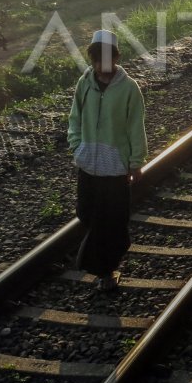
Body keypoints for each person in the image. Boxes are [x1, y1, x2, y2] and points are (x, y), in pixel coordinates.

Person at [67, 30, 147, 291]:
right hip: (89, 164)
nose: (101, 61)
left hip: (115, 167)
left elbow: (136, 126)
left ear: (114, 57)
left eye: (106, 55)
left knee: (112, 219)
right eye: (96, 55)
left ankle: (107, 270)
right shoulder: (85, 83)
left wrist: (136, 161)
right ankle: (102, 264)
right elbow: (75, 118)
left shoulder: (128, 88)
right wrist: (77, 146)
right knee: (87, 213)